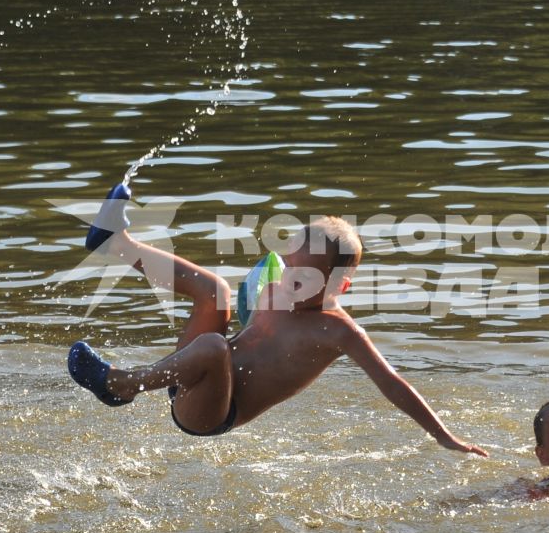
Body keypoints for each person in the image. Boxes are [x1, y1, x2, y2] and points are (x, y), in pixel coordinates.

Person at [69, 187, 487, 455]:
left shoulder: (337, 331)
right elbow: (251, 323)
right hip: (194, 370)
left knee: (215, 347)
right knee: (215, 292)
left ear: (339, 288)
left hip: (211, 411)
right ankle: (117, 243)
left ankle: (122, 385)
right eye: (291, 271)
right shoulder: (276, 285)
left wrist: (443, 436)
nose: (294, 285)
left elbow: (392, 382)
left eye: (309, 282)